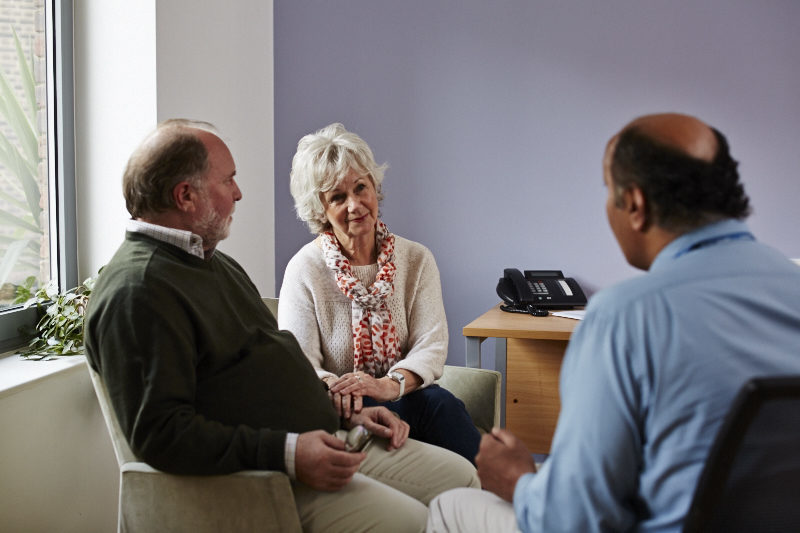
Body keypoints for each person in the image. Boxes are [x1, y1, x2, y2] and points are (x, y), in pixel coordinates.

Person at [84, 119, 479, 533]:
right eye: (228, 180)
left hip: (328, 431)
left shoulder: (211, 262)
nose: (238, 192)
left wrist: (346, 415)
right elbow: (161, 434)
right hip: (271, 473)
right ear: (186, 196)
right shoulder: (139, 291)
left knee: (464, 478)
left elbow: (275, 366)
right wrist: (290, 452)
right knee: (419, 524)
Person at [427, 112, 800, 532]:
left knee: (451, 505)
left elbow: (577, 519)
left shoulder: (624, 318)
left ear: (635, 205)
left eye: (608, 190)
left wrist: (519, 480)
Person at [278, 123, 481, 464]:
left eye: (361, 188)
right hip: (344, 406)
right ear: (320, 210)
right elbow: (299, 364)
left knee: (444, 406)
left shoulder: (416, 259)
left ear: (375, 187)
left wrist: (387, 385)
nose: (355, 205)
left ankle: (503, 500)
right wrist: (346, 391)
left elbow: (430, 345)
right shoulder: (304, 269)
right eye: (338, 198)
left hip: (406, 393)